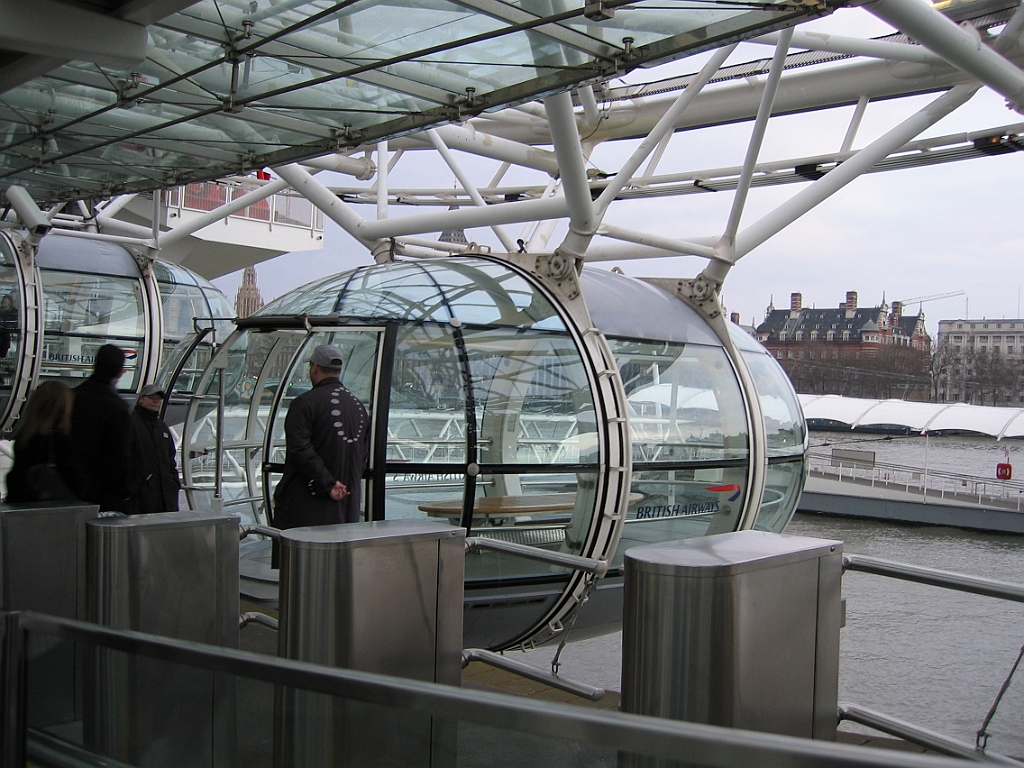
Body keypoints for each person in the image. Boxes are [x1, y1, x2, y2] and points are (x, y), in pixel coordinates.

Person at [273, 344, 370, 531]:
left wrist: (329, 484)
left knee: (298, 560)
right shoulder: (357, 406)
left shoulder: (304, 403)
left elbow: (299, 449)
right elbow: (362, 455)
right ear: (338, 371)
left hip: (306, 509)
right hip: (347, 508)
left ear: (315, 367)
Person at [70, 344, 131, 513]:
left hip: (70, 488)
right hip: (103, 495)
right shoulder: (117, 407)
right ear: (119, 372)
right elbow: (119, 457)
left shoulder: (73, 398)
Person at [5, 381, 86, 503]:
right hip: (51, 510)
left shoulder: (25, 437)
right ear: (64, 406)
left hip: (23, 506)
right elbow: (74, 479)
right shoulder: (59, 440)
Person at [128, 384, 180, 514]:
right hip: (142, 497)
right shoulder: (131, 424)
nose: (155, 401)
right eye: (151, 397)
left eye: (158, 398)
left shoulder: (162, 427)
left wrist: (174, 483)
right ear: (141, 399)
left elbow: (170, 459)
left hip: (166, 496)